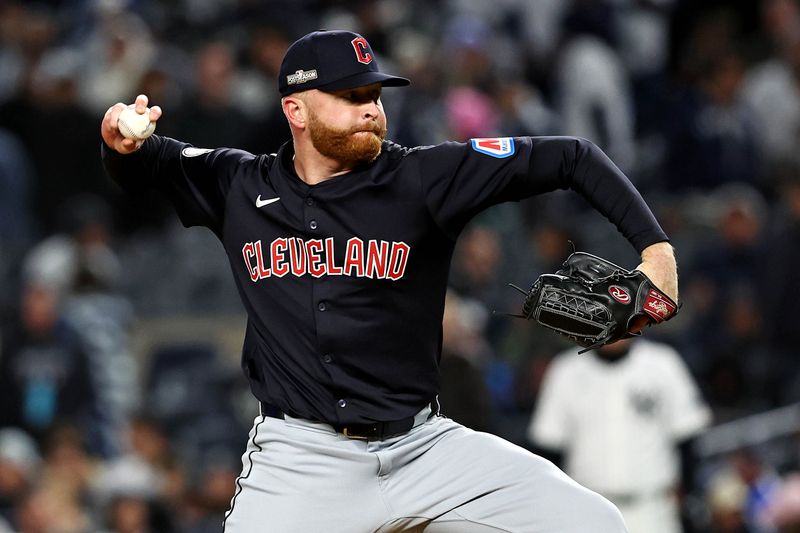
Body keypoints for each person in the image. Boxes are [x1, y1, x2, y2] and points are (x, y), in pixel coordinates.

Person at [100, 29, 679, 532]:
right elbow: (147, 160)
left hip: (423, 448)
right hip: (302, 459)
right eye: (351, 96)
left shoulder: (423, 178)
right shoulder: (238, 184)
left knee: (593, 523)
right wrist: (119, 146)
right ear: (295, 111)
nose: (371, 109)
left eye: (374, 94)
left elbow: (572, 156)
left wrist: (656, 252)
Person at [528, 338, 711, 533]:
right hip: (589, 510)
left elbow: (687, 438)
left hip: (652, 509)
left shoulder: (662, 363)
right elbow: (548, 449)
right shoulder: (566, 370)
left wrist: (689, 494)